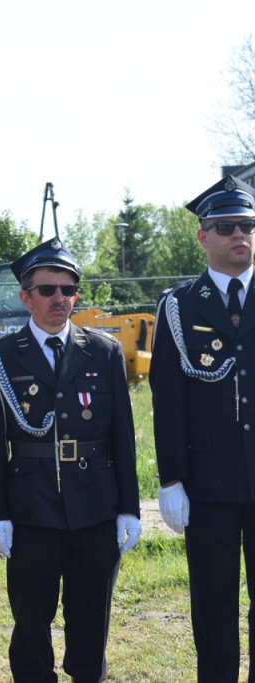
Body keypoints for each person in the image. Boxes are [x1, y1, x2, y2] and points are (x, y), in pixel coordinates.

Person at [0, 238, 141, 682]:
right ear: (26, 296)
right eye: (47, 290)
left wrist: (129, 508)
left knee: (91, 625)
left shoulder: (103, 352)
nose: (59, 299)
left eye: (68, 290)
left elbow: (122, 436)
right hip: (32, 508)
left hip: (94, 505)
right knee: (31, 626)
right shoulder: (0, 356)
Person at [151, 174, 255, 681]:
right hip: (209, 483)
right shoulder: (179, 305)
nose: (241, 235)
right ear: (204, 236)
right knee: (213, 606)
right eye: (228, 227)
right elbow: (167, 398)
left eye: (249, 226)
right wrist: (171, 479)